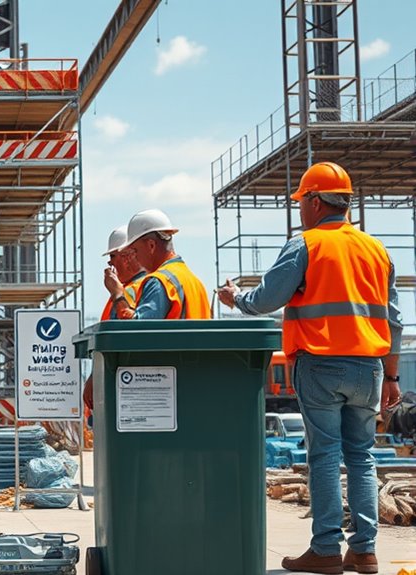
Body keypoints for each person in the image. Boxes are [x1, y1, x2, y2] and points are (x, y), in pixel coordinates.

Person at [218, 162, 402, 575]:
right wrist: (392, 377)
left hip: (321, 363)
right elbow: (394, 321)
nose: (300, 209)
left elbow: (268, 298)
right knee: (362, 457)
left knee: (324, 457)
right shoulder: (378, 250)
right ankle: (365, 550)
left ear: (316, 202)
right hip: (370, 368)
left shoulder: (306, 244)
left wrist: (237, 298)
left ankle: (325, 550)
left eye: (302, 201)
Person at [84, 225, 148, 411]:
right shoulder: (131, 288)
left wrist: (95, 377)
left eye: (113, 256)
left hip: (124, 384)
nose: (110, 264)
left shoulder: (131, 291)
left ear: (129, 254)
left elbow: (122, 337)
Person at [105, 209, 211, 320]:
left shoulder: (160, 282)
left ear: (151, 246)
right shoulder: (194, 282)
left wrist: (118, 295)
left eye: (135, 250)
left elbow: (136, 330)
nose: (135, 257)